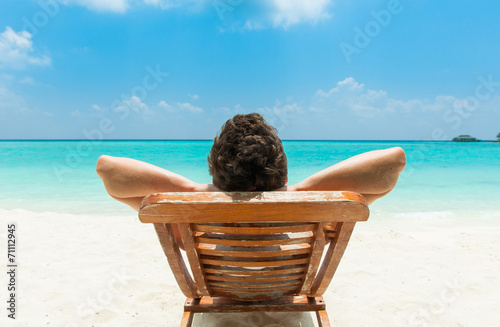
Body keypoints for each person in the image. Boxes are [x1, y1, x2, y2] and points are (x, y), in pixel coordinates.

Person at [96, 113, 406, 211]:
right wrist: (302, 189)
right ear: (282, 173)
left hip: (221, 288)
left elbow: (107, 168)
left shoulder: (190, 209)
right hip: (286, 286)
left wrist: (194, 189)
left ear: (216, 173)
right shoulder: (307, 210)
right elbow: (394, 160)